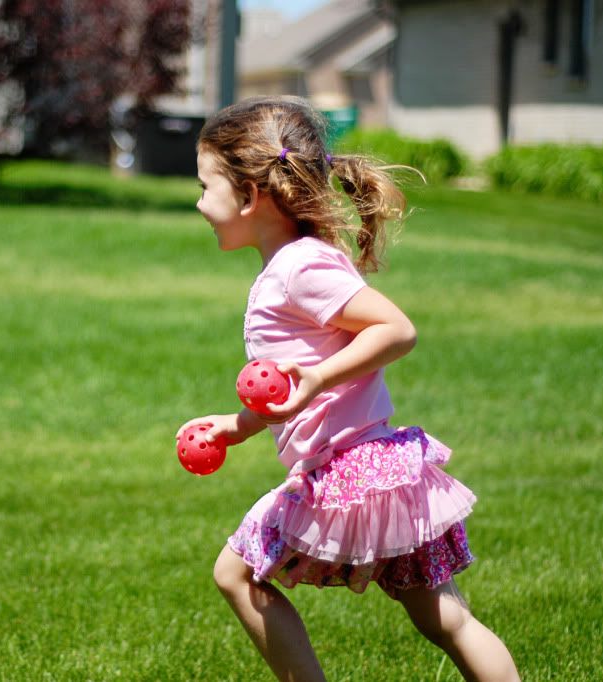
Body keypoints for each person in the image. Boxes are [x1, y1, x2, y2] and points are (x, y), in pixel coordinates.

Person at [176, 96, 520, 682]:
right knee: (445, 619)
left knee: (236, 573)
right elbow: (291, 387)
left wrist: (316, 380)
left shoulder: (301, 268)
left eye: (206, 187)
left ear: (250, 195)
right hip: (379, 471)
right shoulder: (290, 265)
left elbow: (396, 330)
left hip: (349, 471)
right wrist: (239, 425)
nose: (200, 203)